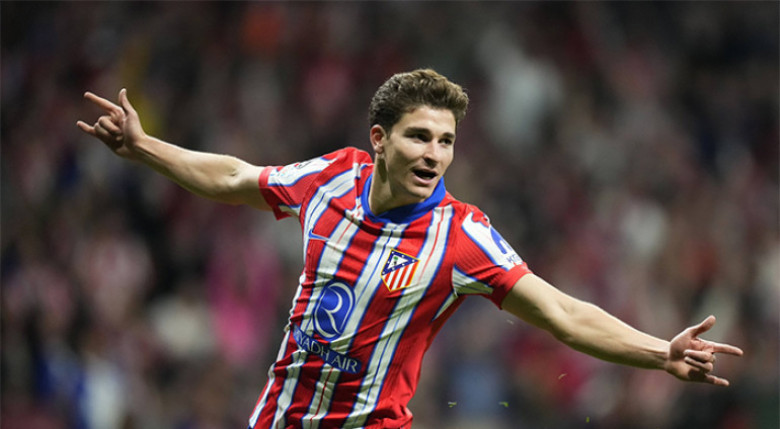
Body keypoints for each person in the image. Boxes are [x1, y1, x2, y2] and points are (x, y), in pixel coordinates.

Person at [77, 69, 743, 429]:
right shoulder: (333, 176)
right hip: (277, 419)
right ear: (380, 139)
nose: (435, 153)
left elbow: (562, 312)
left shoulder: (461, 236)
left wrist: (659, 353)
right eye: (420, 136)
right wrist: (144, 147)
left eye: (446, 141)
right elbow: (234, 178)